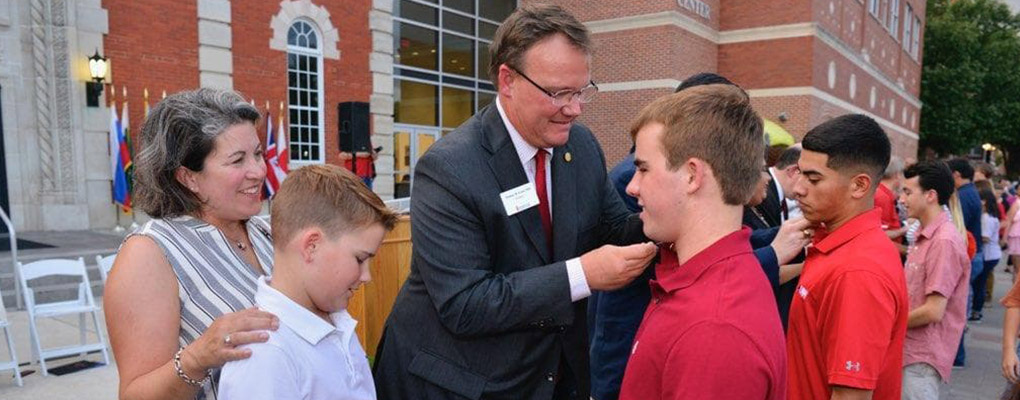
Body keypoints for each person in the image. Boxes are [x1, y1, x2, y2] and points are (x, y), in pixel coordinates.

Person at [371, 5, 658, 399]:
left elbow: (612, 230)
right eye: (558, 93)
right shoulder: (449, 168)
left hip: (550, 376)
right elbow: (465, 303)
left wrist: (672, 210)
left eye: (581, 91)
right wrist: (582, 275)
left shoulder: (582, 147)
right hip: (461, 383)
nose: (573, 109)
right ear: (507, 80)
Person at [589, 72, 811, 400]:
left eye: (644, 169)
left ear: (693, 175)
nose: (632, 186)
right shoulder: (693, 286)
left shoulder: (714, 333)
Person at [104, 88, 279, 400]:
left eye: (258, 154)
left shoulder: (265, 232)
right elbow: (135, 394)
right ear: (188, 178)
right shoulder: (150, 253)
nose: (258, 171)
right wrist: (199, 357)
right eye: (238, 160)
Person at [218, 165, 398, 400]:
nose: (367, 276)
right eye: (360, 259)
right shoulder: (265, 354)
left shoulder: (334, 318)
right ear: (312, 246)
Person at [786, 114, 908, 400]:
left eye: (813, 178)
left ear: (859, 185)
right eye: (800, 173)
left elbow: (850, 395)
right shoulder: (841, 249)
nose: (798, 189)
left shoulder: (857, 271)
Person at [898, 161, 970, 399]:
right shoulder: (926, 236)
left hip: (920, 356)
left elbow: (933, 311)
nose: (901, 199)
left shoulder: (943, 241)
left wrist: (890, 324)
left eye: (908, 192)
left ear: (930, 196)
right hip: (910, 352)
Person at [947, 158, 982, 367]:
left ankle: (957, 356)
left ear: (956, 175)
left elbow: (959, 228)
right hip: (974, 254)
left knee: (954, 307)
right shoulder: (970, 193)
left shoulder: (963, 196)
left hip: (969, 254)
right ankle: (957, 355)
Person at [972, 187, 1003, 322]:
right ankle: (977, 310)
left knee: (980, 283)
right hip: (992, 254)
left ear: (983, 202)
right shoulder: (991, 216)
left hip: (988, 254)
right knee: (980, 282)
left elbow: (985, 237)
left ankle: (976, 312)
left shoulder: (986, 217)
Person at [876, 156, 906, 242]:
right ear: (897, 175)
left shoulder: (883, 193)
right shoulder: (882, 197)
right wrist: (905, 229)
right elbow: (881, 233)